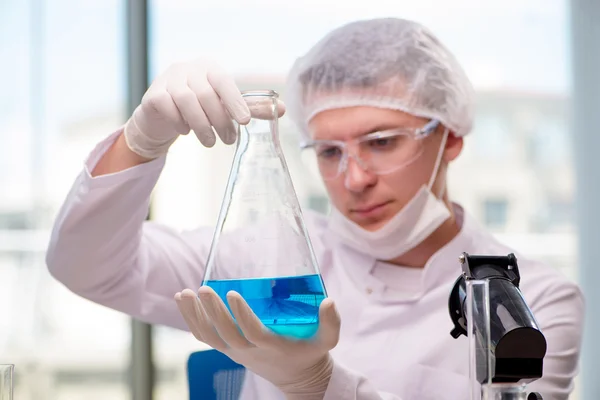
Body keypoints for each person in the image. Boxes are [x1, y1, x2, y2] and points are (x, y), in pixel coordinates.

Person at [45, 17, 584, 399]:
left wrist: (315, 385)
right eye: (329, 151)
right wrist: (142, 141)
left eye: (381, 142)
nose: (353, 179)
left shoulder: (531, 300)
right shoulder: (266, 258)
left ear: (450, 140)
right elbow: (85, 266)